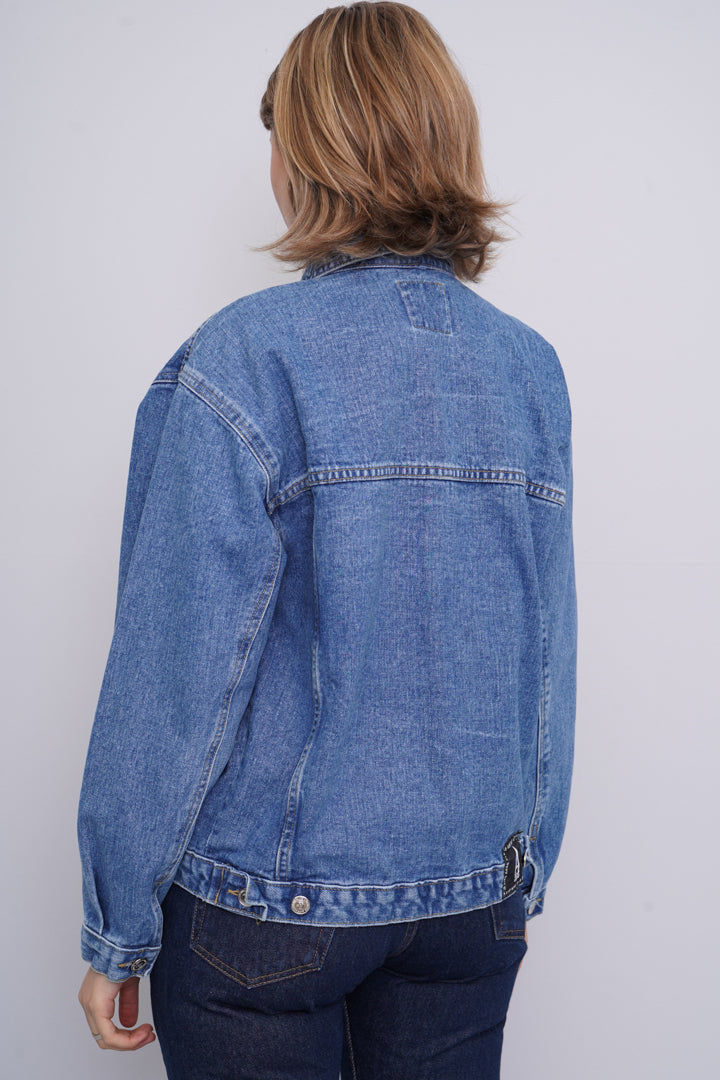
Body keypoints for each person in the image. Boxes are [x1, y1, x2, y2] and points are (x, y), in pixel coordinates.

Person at [76, 3, 577, 1077]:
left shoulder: (241, 361)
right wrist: (520, 869)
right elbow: (545, 653)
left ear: (314, 154)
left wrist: (118, 922)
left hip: (269, 908)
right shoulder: (528, 370)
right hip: (467, 906)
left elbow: (175, 674)